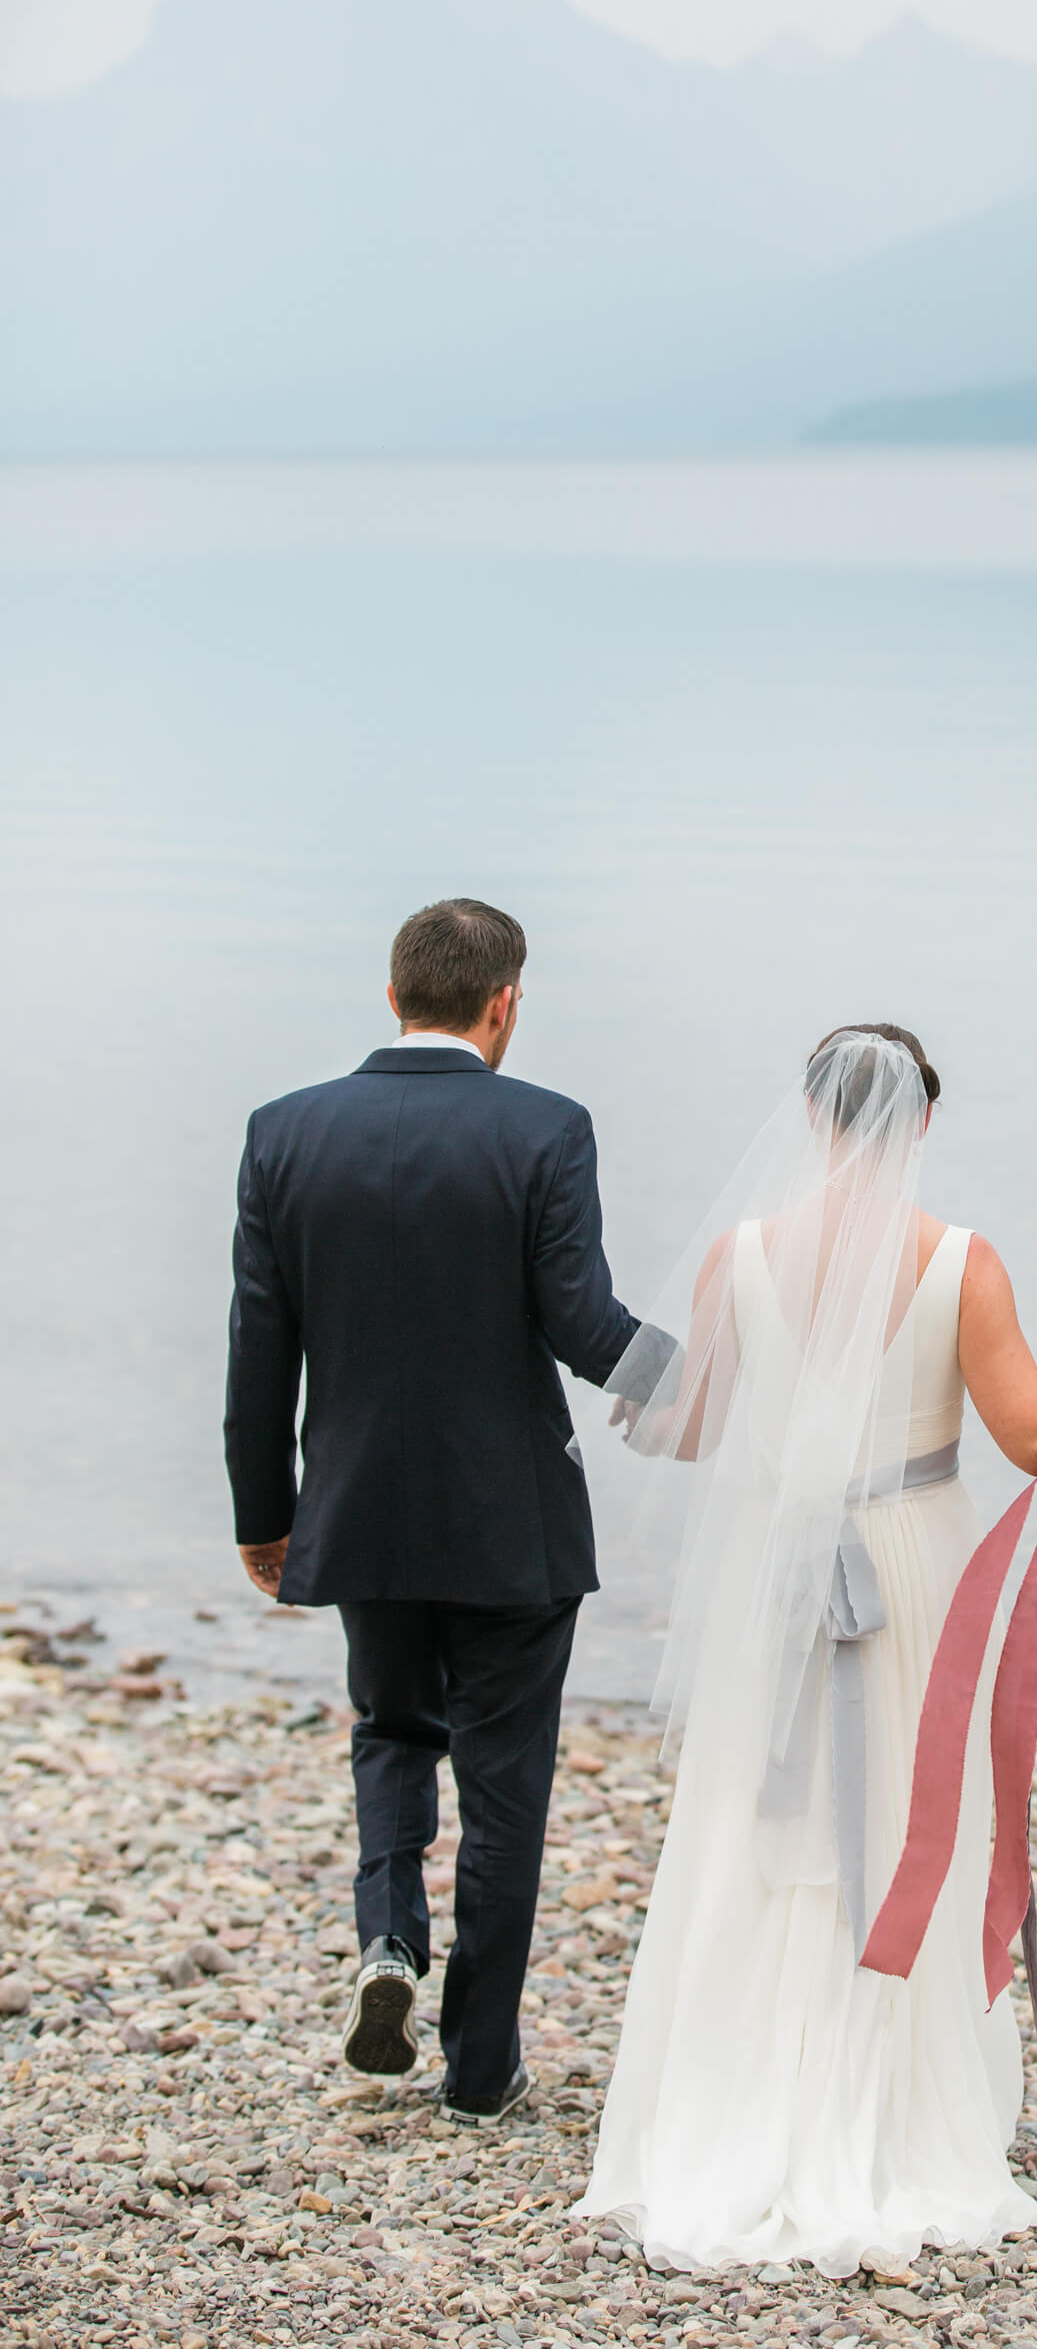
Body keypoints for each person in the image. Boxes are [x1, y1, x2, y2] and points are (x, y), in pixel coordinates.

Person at [578, 1024, 1037, 2277]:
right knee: (912, 1822)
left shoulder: (738, 1256)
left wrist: (611, 1385)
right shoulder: (959, 1260)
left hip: (772, 1566)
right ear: (922, 1122)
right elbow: (1031, 1436)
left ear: (808, 1115)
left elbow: (695, 1430)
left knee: (753, 1819)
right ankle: (893, 2112)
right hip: (909, 1564)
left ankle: (728, 2112)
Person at [223, 897, 663, 2126]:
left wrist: (269, 1515)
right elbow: (584, 1325)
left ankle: (386, 1943)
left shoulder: (284, 1132)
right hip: (511, 1526)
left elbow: (261, 1348)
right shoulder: (544, 1127)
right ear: (504, 1001)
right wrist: (701, 1382)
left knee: (390, 1729)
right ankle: (480, 2068)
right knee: (505, 1788)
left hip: (359, 1511)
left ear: (390, 993)